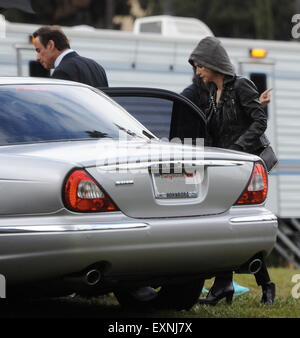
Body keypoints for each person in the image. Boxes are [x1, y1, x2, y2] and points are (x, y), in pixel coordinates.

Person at [182, 36, 275, 306]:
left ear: (213, 64)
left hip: (245, 165)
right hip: (225, 165)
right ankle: (223, 285)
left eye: (200, 66)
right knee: (225, 224)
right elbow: (217, 125)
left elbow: (259, 121)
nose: (197, 72)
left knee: (243, 225)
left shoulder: (241, 86)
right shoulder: (213, 92)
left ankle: (266, 285)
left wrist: (238, 148)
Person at [32, 26, 108, 87]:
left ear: (50, 45)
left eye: (39, 50)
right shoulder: (97, 67)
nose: (37, 58)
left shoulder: (62, 71)